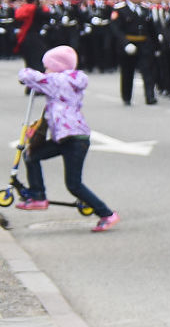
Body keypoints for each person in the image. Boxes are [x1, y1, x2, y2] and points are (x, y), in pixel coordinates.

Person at [16, 45, 117, 230]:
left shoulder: (59, 81)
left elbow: (29, 76)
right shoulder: (67, 80)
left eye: (48, 66)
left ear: (57, 66)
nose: (45, 69)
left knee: (74, 184)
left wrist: (25, 72)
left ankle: (107, 214)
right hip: (64, 137)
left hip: (74, 139)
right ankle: (38, 195)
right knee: (31, 155)